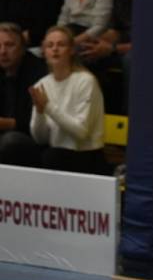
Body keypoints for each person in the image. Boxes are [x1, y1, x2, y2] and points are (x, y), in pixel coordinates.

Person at [29, 25, 106, 174]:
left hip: (87, 155)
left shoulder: (85, 81)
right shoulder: (41, 84)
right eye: (50, 45)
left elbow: (81, 132)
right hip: (56, 153)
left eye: (61, 45)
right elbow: (40, 139)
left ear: (71, 50)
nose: (55, 49)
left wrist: (48, 107)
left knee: (51, 157)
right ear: (44, 52)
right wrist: (39, 112)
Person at [78, 0, 134, 114]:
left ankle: (132, 118)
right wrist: (97, 43)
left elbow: (150, 45)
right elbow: (115, 31)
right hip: (120, 48)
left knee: (132, 59)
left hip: (139, 53)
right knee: (82, 52)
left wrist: (111, 48)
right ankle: (92, 116)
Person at [0, 20, 46, 165]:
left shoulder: (38, 72)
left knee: (10, 141)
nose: (2, 51)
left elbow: (36, 124)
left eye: (9, 45)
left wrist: (5, 124)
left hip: (32, 140)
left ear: (22, 49)